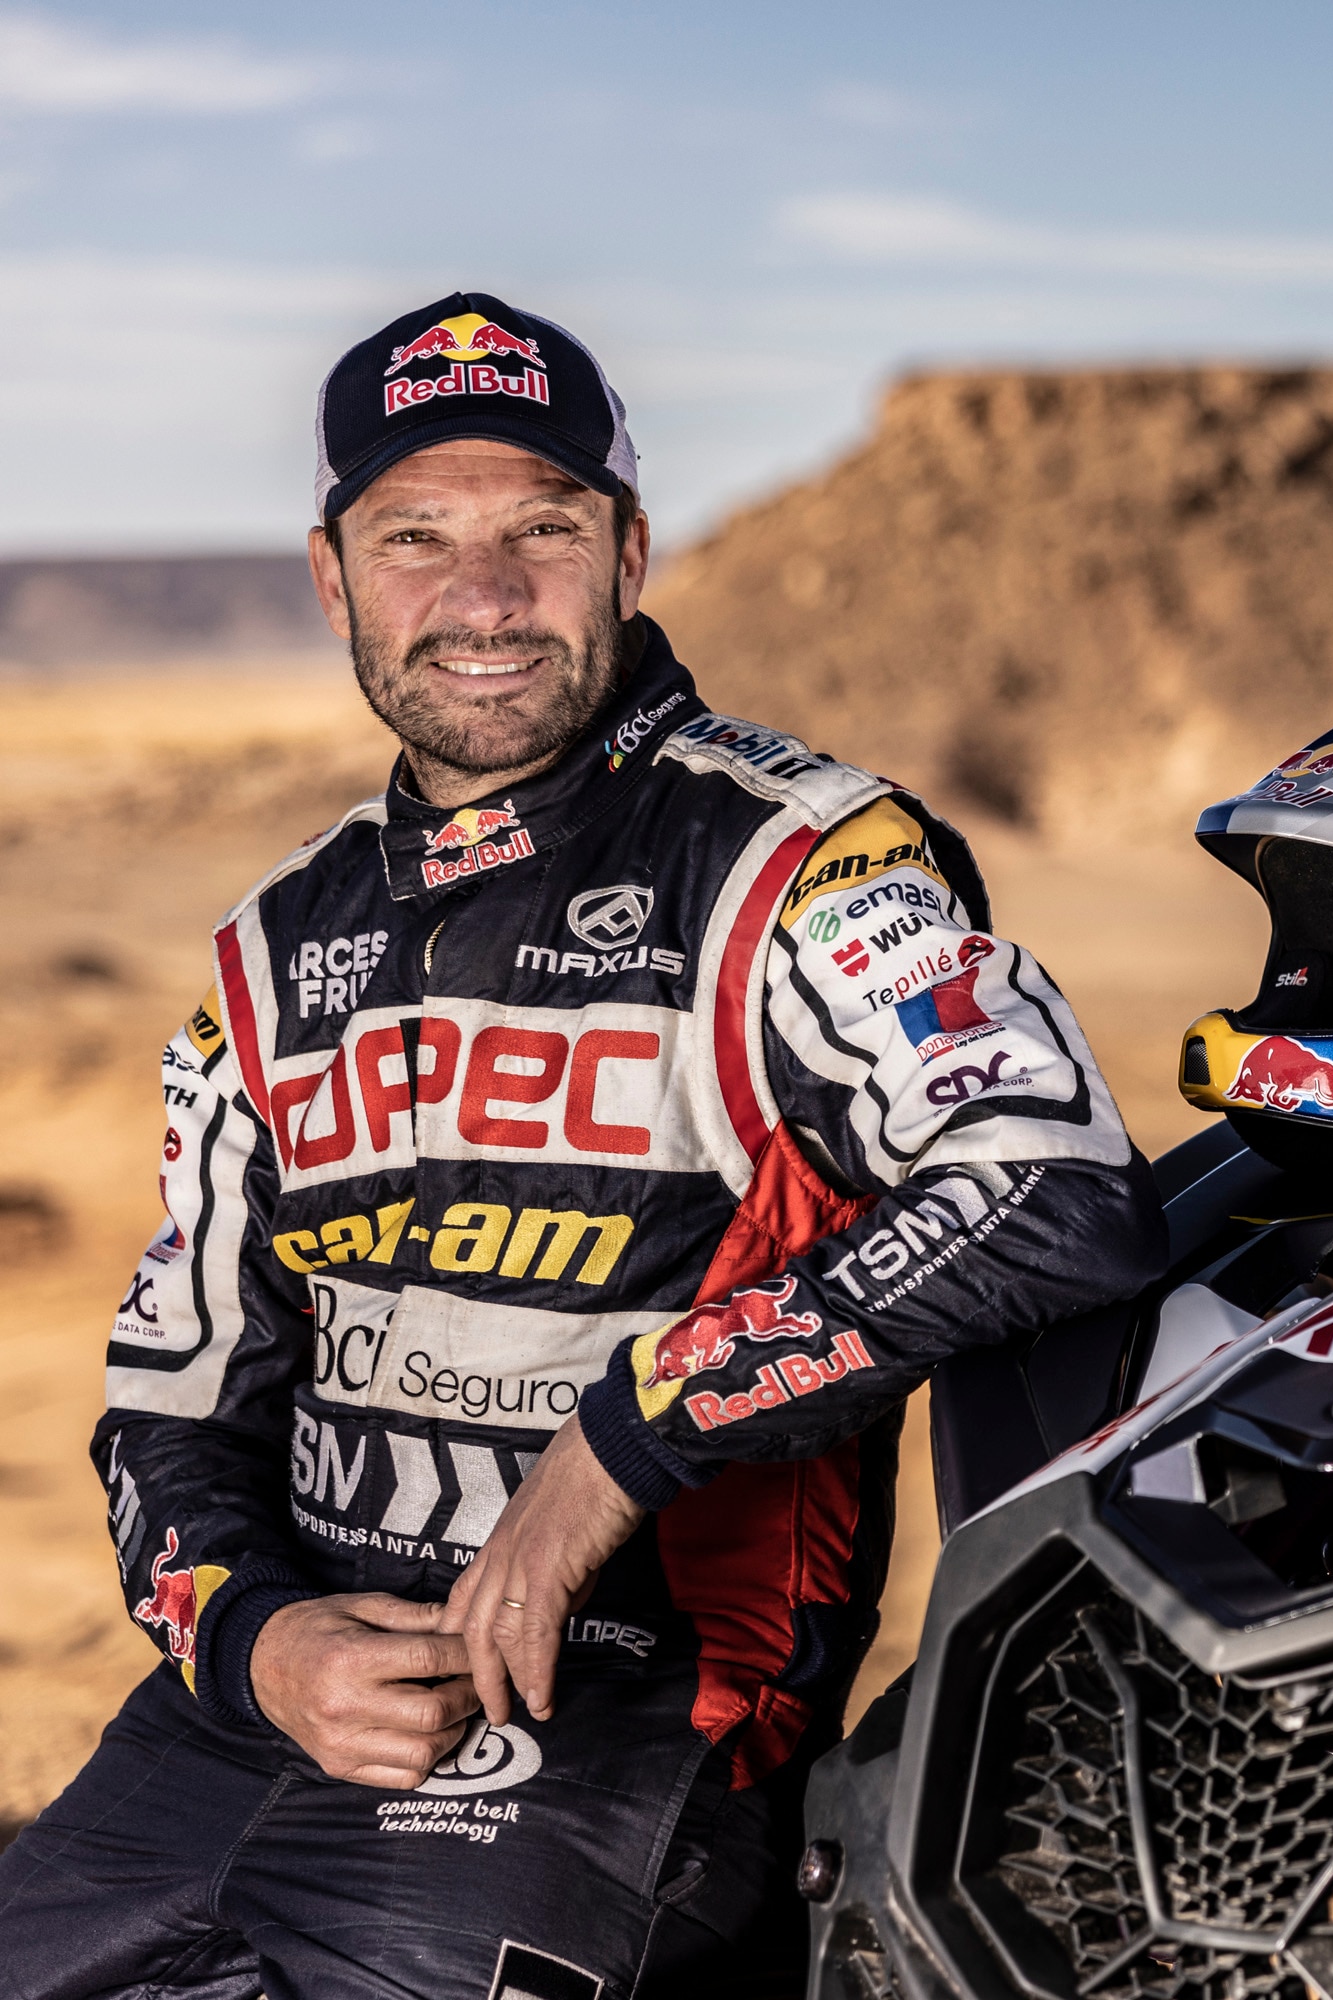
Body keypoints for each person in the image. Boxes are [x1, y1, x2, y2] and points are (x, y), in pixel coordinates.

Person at [0, 293, 1166, 1998]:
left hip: (621, 1709)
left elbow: (1053, 1192)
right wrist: (254, 1644)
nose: (482, 598)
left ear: (627, 550)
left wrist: (613, 1450)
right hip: (254, 1714)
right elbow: (173, 1396)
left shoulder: (804, 865)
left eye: (541, 531)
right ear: (334, 579)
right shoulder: (275, 943)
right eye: (417, 538)